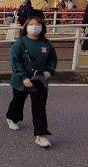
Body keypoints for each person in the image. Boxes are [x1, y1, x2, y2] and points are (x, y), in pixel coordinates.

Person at [5, 16, 57, 148]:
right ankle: (12, 117)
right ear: (26, 27)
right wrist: (23, 78)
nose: (35, 26)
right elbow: (15, 62)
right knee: (18, 101)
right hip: (21, 80)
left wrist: (49, 71)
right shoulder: (20, 43)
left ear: (42, 27)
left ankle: (40, 135)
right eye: (32, 24)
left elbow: (52, 59)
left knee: (39, 108)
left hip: (39, 81)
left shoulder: (46, 44)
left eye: (38, 24)